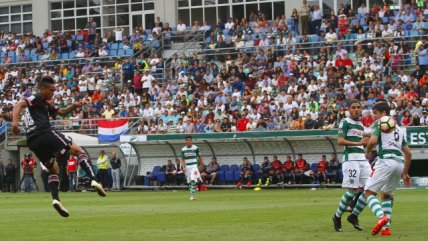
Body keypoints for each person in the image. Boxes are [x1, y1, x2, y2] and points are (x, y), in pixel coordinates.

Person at [12, 76, 105, 218]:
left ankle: (56, 199)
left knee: (53, 168)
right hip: (44, 133)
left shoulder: (44, 102)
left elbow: (61, 112)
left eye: (55, 90)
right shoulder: (36, 98)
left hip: (33, 142)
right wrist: (14, 123)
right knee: (78, 150)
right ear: (42, 89)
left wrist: (76, 105)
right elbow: (18, 105)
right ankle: (94, 179)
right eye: (51, 90)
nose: (53, 93)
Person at [356, 102, 412, 236]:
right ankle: (386, 229)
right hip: (399, 163)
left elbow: (373, 141)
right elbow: (409, 154)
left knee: (369, 192)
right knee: (387, 195)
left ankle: (381, 217)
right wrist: (405, 173)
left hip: (385, 160)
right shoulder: (398, 128)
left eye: (375, 113)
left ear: (383, 113)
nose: (374, 116)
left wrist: (368, 150)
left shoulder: (380, 122)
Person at [332, 99, 370, 232]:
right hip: (351, 159)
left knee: (370, 189)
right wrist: (359, 143)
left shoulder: (360, 125)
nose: (356, 109)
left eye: (358, 107)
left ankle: (354, 216)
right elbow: (340, 141)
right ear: (348, 109)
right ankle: (337, 216)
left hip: (362, 160)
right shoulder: (345, 122)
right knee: (353, 191)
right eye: (353, 107)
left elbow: (363, 141)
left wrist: (365, 147)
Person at [181, 136, 203, 200]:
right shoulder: (183, 149)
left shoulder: (196, 148)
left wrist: (201, 164)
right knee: (190, 182)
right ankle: (192, 194)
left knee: (193, 180)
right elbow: (182, 159)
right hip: (187, 167)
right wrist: (184, 167)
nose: (188, 141)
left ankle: (192, 196)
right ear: (185, 141)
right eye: (187, 140)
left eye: (190, 140)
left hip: (194, 166)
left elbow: (200, 156)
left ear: (191, 141)